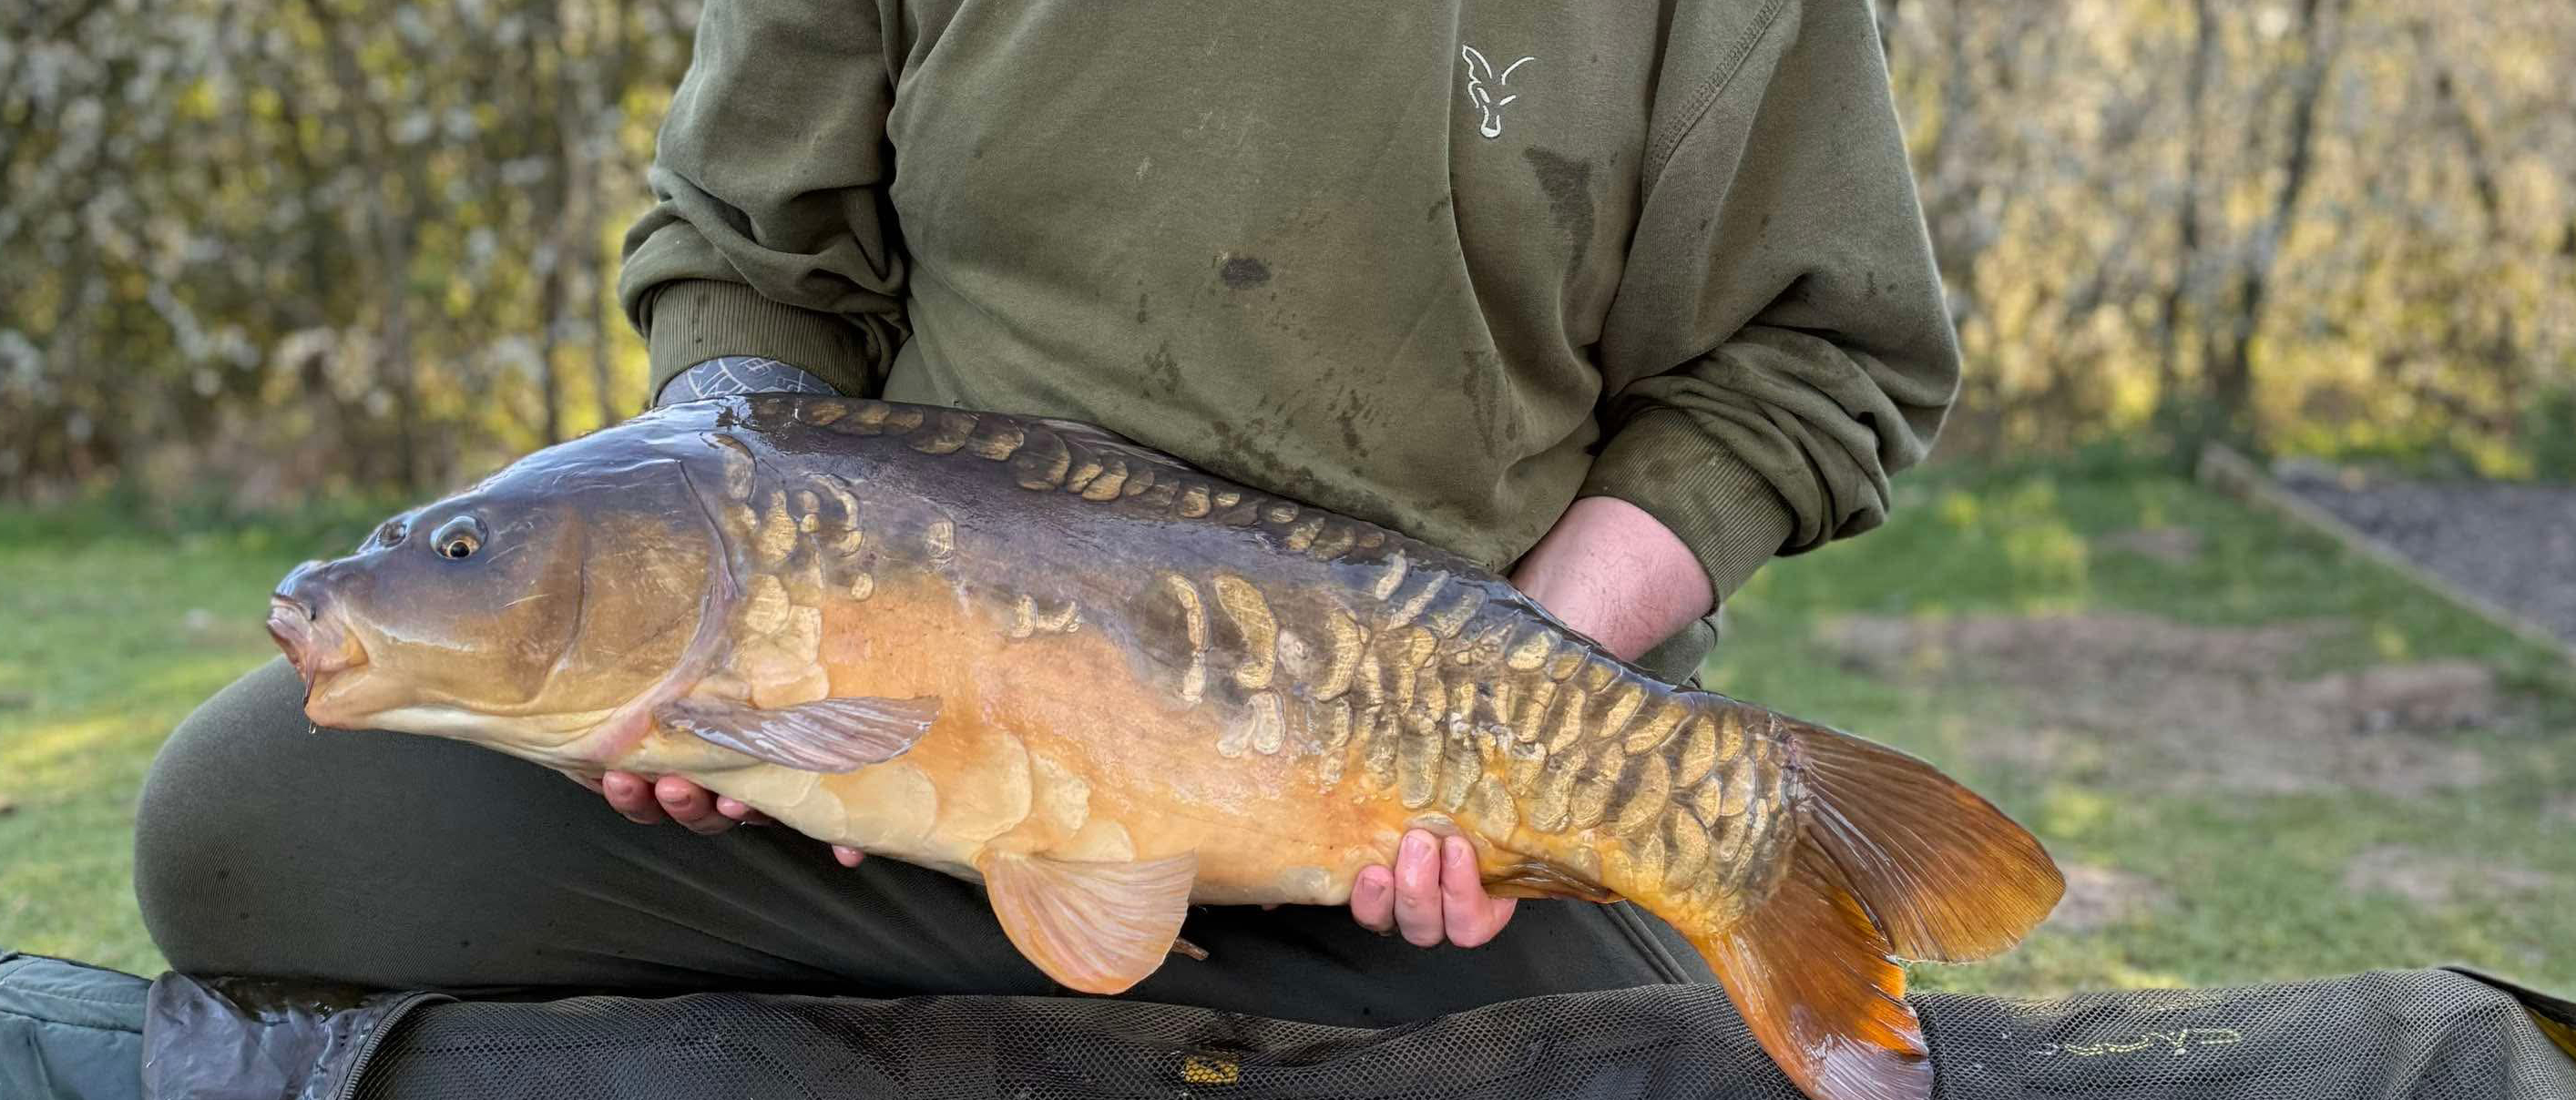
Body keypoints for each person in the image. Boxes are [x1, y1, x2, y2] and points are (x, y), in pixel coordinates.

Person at [132, 0, 1958, 1024]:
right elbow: (756, 264)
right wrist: (717, 606)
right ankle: (1135, 1014)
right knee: (249, 820)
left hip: (1420, 809)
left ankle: (1278, 1015)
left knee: (1672, 1094)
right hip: (891, 762)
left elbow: (1803, 367)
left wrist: (1520, 693)